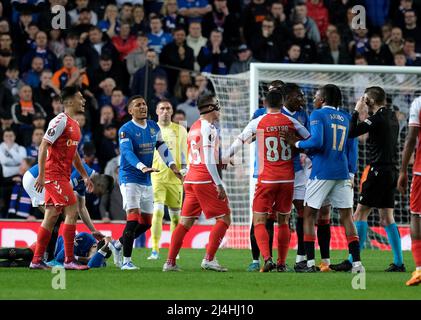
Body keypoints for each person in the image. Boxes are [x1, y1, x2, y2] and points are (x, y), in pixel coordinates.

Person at [226, 88, 310, 272]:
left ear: (265, 104)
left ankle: (266, 259)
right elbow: (309, 139)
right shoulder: (291, 121)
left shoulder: (258, 121)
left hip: (266, 179)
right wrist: (297, 146)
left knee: (259, 221)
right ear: (282, 104)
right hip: (288, 180)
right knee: (283, 221)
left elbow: (239, 142)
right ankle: (281, 263)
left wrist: (225, 157)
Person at [282, 84, 364, 273]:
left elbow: (317, 141)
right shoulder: (345, 117)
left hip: (322, 172)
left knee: (309, 214)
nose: (313, 99)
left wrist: (296, 142)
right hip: (342, 172)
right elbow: (352, 148)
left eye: (316, 96)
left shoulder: (317, 115)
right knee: (347, 217)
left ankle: (309, 263)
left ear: (323, 99)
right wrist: (351, 172)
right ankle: (357, 264)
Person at [330, 87, 403, 272]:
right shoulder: (392, 116)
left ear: (369, 100)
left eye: (366, 99)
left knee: (359, 214)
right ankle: (399, 262)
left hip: (377, 170)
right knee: (387, 216)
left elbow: (352, 132)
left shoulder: (377, 118)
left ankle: (352, 260)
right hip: (391, 171)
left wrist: (357, 110)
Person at [110, 95, 182, 270]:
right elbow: (126, 152)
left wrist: (172, 165)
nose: (143, 107)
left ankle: (117, 245)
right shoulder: (125, 130)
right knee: (133, 218)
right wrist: (142, 166)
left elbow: (162, 147)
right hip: (129, 178)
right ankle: (126, 262)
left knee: (147, 223)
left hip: (146, 179)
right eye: (138, 105)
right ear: (130, 111)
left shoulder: (152, 126)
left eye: (144, 104)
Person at [29, 86, 94, 270]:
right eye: (80, 97)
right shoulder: (59, 121)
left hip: (62, 176)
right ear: (70, 101)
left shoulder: (75, 125)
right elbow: (43, 146)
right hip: (54, 175)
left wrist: (84, 175)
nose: (84, 100)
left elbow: (73, 154)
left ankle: (36, 260)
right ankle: (69, 259)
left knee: (50, 217)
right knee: (72, 210)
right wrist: (41, 175)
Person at [163, 94, 230, 272]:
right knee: (224, 218)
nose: (219, 109)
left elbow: (196, 156)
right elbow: (207, 159)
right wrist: (219, 183)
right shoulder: (208, 128)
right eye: (216, 105)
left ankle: (170, 262)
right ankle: (209, 259)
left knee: (184, 223)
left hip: (191, 179)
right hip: (204, 178)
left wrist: (222, 159)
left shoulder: (193, 127)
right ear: (209, 108)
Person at [148, 100, 187, 260]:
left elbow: (185, 153)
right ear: (157, 111)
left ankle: (174, 249)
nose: (165, 111)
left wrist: (185, 169)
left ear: (171, 111)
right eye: (162, 108)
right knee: (157, 213)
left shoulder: (181, 130)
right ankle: (155, 249)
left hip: (175, 179)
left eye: (168, 108)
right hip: (157, 177)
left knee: (175, 217)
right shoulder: (151, 130)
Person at [398, 96, 421, 285]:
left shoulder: (419, 103)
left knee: (416, 216)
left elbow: (411, 138)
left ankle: (420, 269)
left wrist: (403, 171)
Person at [0, 234, 112, 269]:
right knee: (26, 253)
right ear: (94, 245)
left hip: (51, 264)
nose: (92, 256)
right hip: (50, 249)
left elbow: (91, 265)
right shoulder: (84, 238)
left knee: (20, 264)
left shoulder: (100, 260)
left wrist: (100, 253)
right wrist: (83, 259)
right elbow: (60, 257)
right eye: (94, 251)